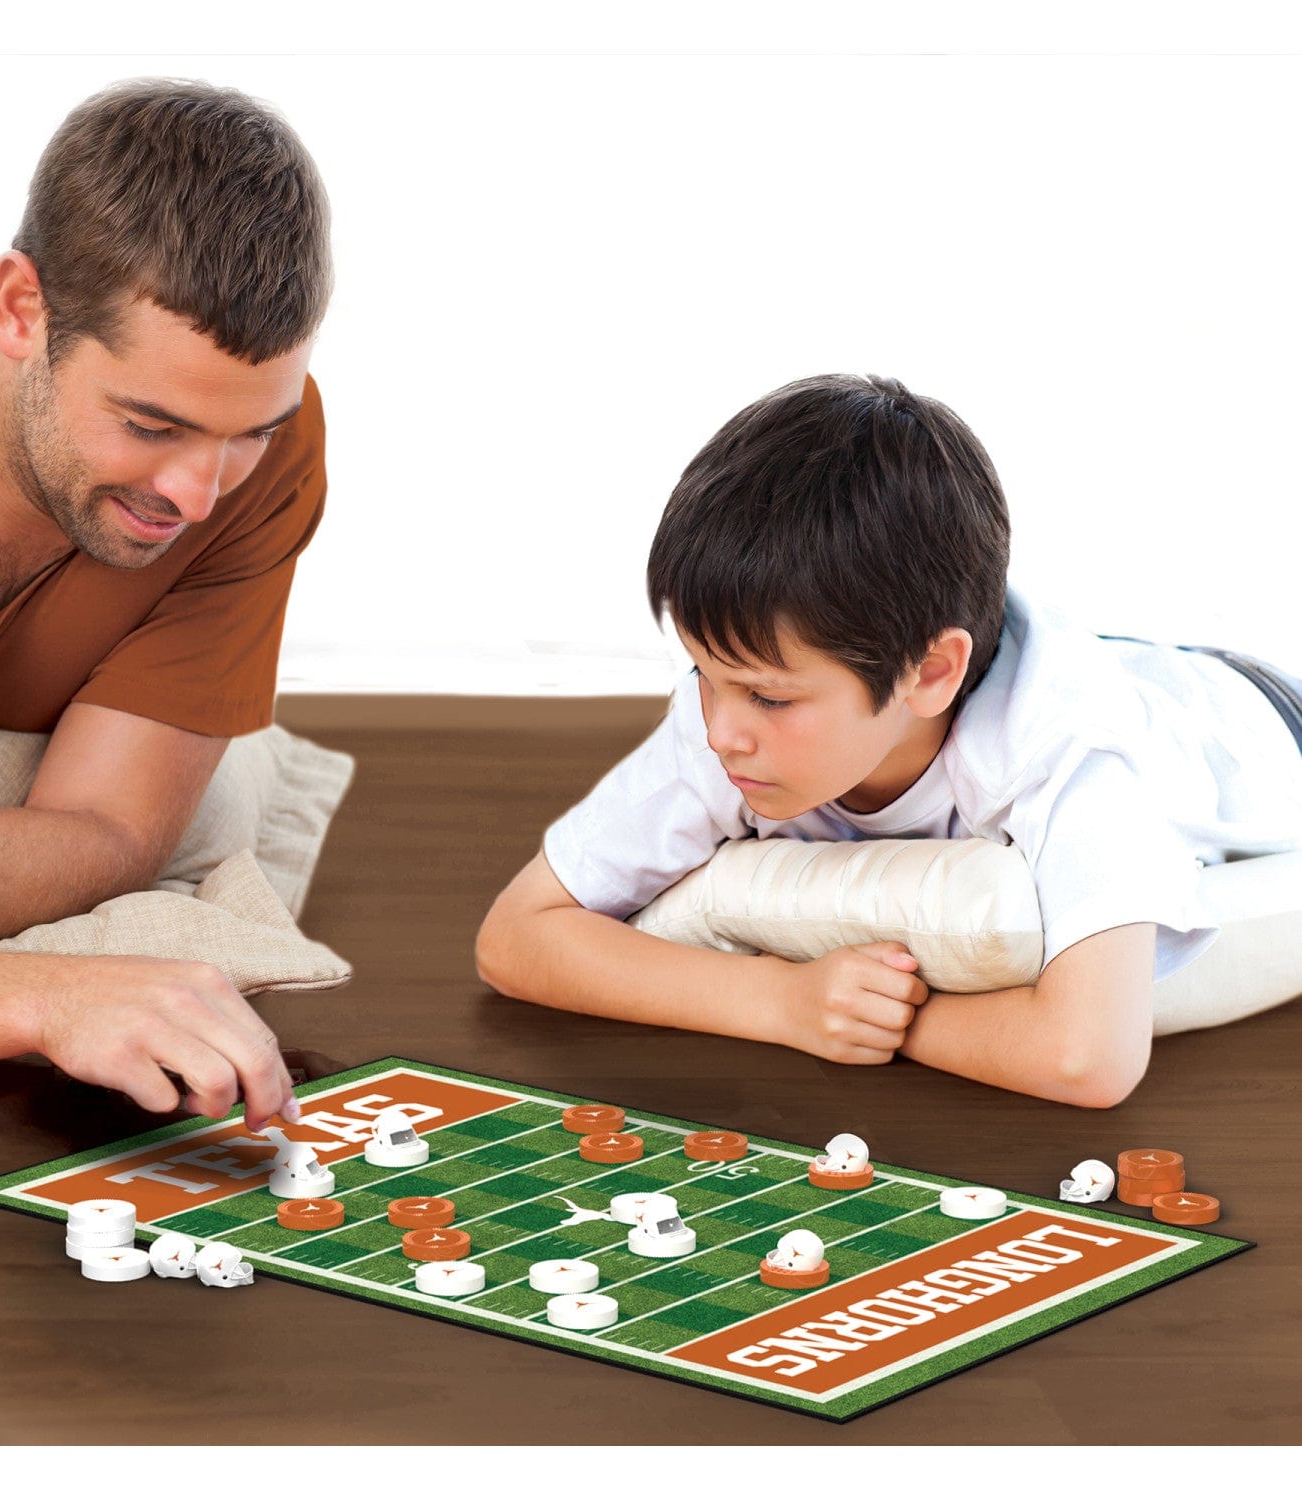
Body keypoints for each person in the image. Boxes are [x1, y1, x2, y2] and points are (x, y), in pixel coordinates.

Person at [476, 374, 1302, 1107]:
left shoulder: (1072, 753)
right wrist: (781, 1001)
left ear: (930, 674)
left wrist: (889, 1020)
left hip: (1266, 727)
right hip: (1118, 663)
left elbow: (1088, 1059)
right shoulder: (733, 713)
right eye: (702, 673)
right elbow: (515, 937)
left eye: (769, 697)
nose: (721, 733)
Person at [0, 79, 334, 1128]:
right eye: (149, 425)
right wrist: (41, 1000)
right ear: (22, 309)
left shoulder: (265, 459)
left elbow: (110, 830)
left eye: (249, 433)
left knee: (217, 797)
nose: (199, 495)